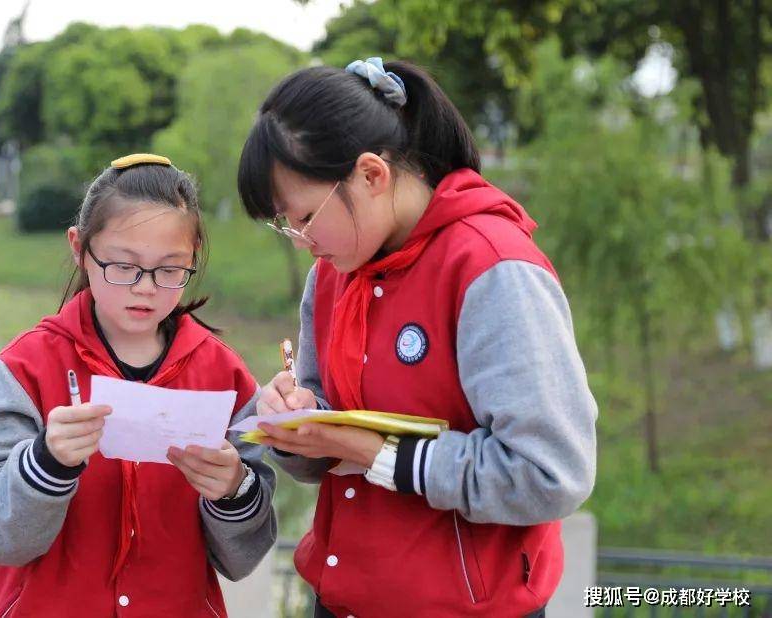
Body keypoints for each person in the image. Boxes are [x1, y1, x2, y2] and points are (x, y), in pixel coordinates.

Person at [237, 58, 598, 617]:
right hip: (341, 599)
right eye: (285, 224)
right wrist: (296, 421)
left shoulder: (491, 267)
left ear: (371, 175)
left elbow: (549, 474)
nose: (300, 241)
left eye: (305, 216)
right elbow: (326, 445)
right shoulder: (334, 273)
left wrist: (374, 452)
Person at [0, 154, 276, 617]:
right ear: (80, 249)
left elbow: (241, 558)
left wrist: (235, 490)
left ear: (193, 259)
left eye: (170, 270)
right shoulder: (22, 371)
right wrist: (45, 463)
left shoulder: (225, 377)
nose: (145, 287)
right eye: (123, 266)